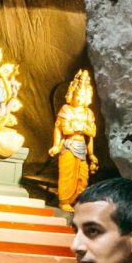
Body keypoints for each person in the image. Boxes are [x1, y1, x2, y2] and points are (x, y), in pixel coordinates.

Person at [49, 69, 98, 210]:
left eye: (83, 95)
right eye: (77, 94)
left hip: (81, 146)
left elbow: (91, 136)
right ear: (72, 94)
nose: (79, 98)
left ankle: (76, 200)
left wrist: (91, 154)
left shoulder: (88, 113)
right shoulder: (66, 109)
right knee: (67, 174)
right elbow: (59, 128)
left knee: (82, 176)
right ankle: (64, 201)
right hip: (68, 146)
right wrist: (56, 145)